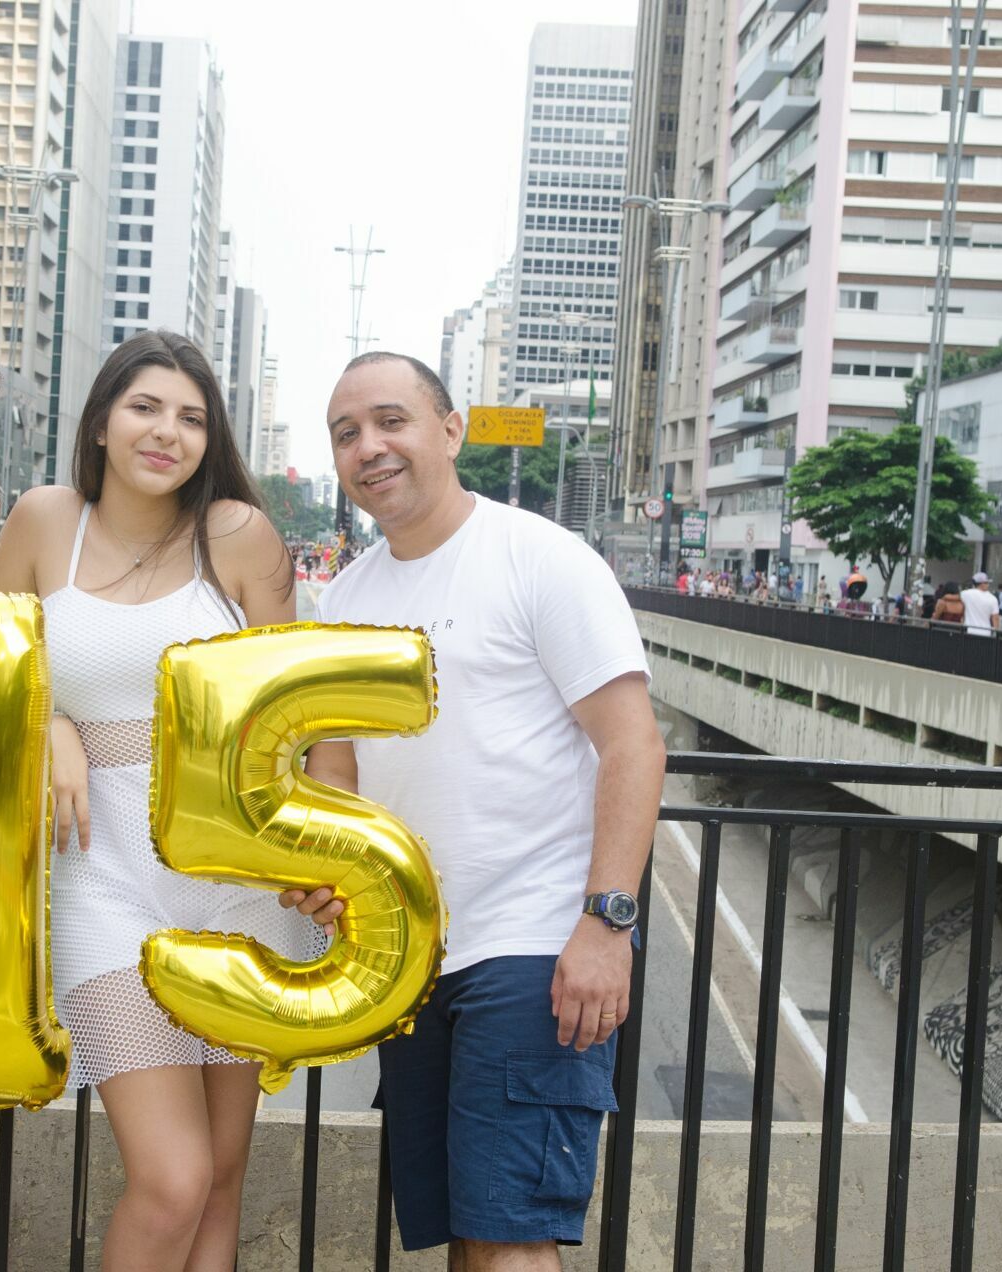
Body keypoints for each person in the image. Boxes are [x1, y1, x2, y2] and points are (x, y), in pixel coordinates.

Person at [284, 351, 664, 1269]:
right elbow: (338, 774)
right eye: (346, 433)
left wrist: (605, 924)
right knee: (469, 1235)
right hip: (418, 961)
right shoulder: (348, 594)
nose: (369, 447)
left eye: (390, 420)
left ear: (450, 430)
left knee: (511, 1240)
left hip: (532, 950)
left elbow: (633, 743)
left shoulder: (539, 557)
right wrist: (327, 880)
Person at [0, 331, 323, 1272]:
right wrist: (52, 723)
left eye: (190, 415)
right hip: (101, 877)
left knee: (219, 1180)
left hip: (237, 880)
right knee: (171, 1177)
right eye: (145, 408)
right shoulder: (45, 522)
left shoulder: (238, 536)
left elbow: (291, 711)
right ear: (100, 423)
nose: (166, 432)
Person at [959, 572, 1000, 636]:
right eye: (986, 583)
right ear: (981, 584)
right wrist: (997, 633)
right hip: (986, 632)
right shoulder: (993, 598)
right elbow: (995, 618)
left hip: (969, 631)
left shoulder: (965, 594)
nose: (988, 585)